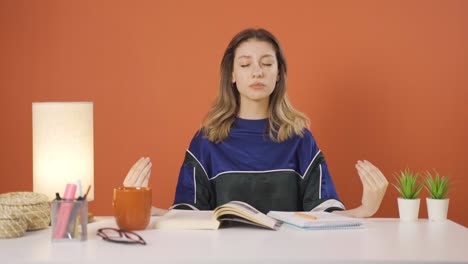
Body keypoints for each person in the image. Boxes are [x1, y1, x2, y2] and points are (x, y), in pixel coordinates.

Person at [124, 28, 388, 217]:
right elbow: (187, 218)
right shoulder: (206, 141)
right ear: (232, 75)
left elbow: (322, 217)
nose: (257, 71)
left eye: (266, 63)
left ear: (278, 74)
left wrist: (366, 209)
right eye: (246, 64)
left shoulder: (300, 140)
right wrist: (142, 206)